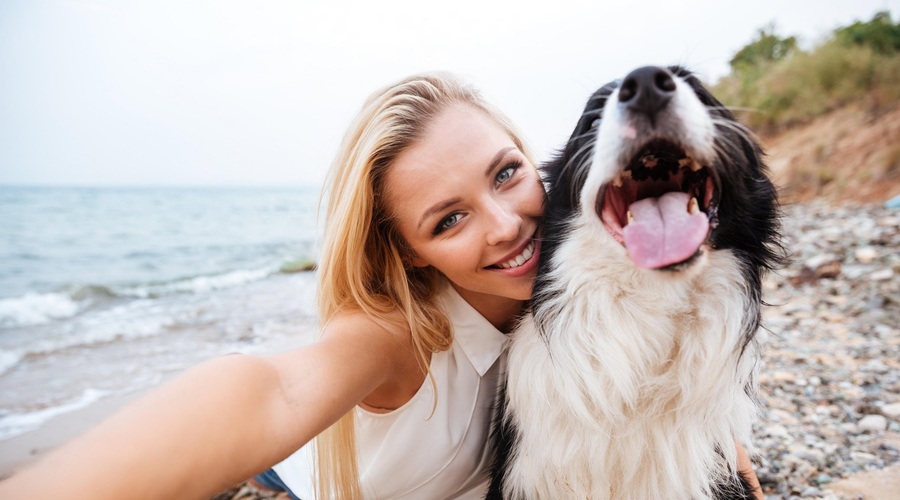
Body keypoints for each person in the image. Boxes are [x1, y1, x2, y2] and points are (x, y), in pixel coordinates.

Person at [0, 73, 763, 499]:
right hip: (311, 473)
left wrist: (721, 434)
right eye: (448, 219)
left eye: (505, 173)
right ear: (410, 252)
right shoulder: (397, 334)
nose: (505, 225)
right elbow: (272, 392)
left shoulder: (580, 270)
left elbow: (671, 335)